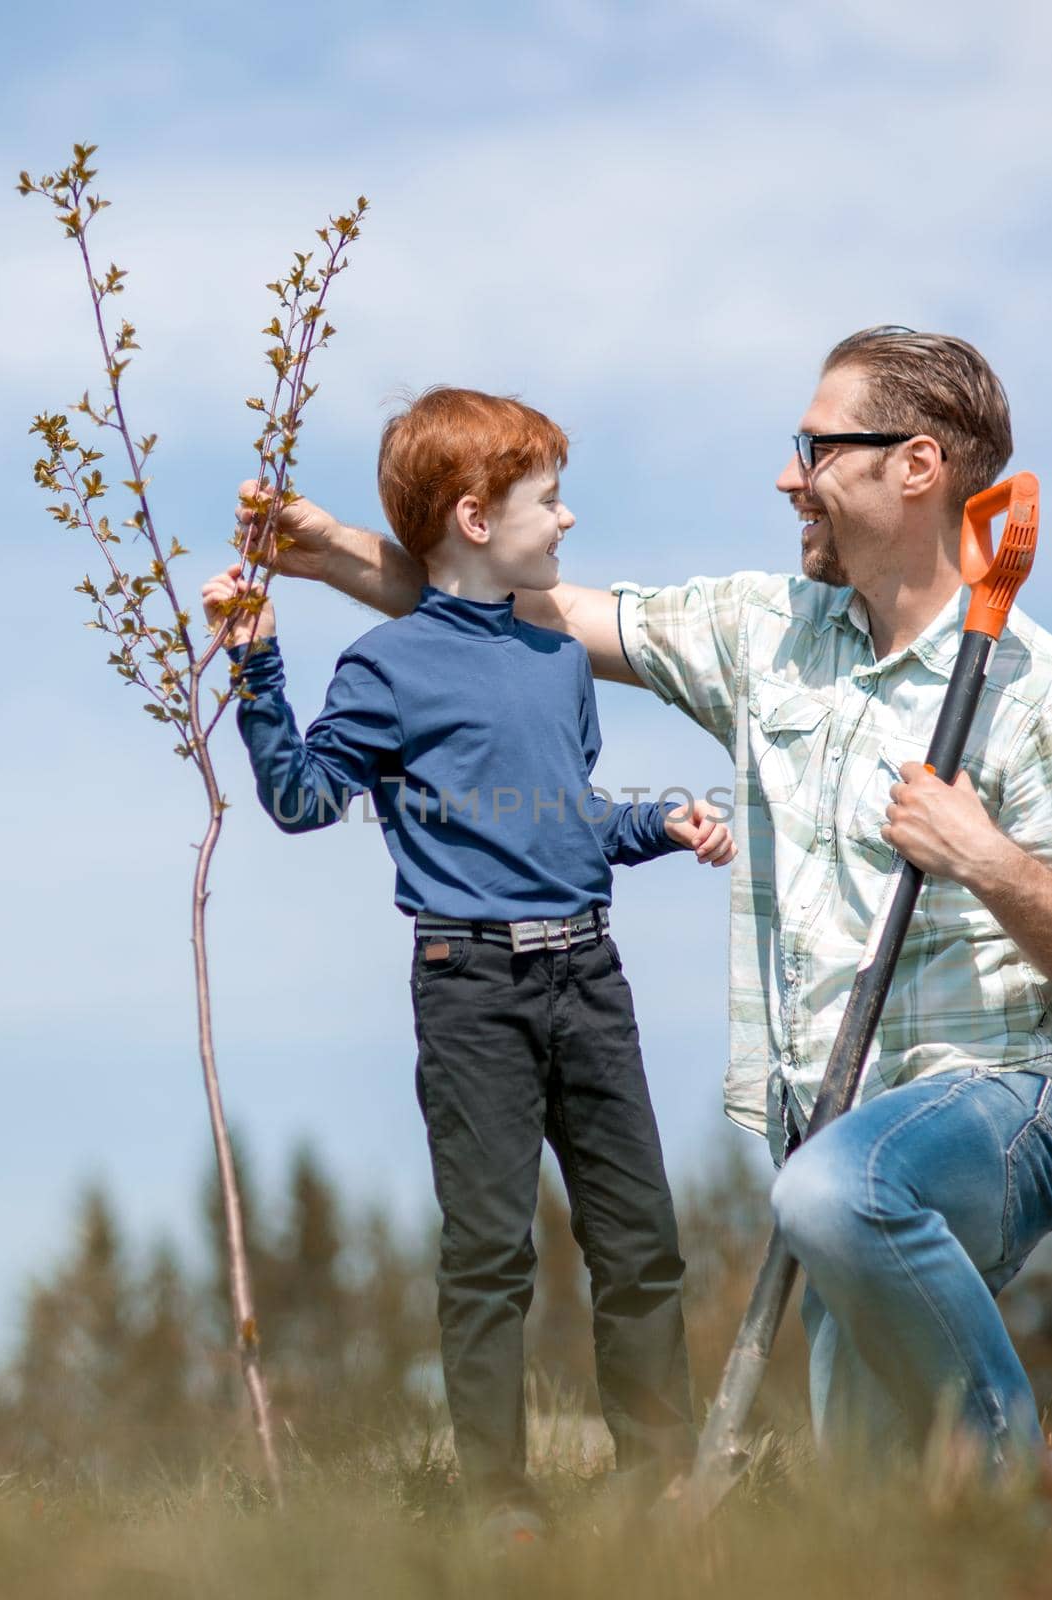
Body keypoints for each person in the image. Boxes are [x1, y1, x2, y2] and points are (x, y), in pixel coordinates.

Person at [252, 329, 1052, 1474]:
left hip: (990, 1103)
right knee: (879, 1496)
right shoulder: (765, 635)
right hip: (825, 1113)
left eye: (814, 446)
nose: (789, 474)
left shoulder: (1027, 690)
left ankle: (1023, 1496)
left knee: (831, 1191)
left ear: (915, 466)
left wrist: (987, 856)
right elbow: (498, 615)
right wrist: (335, 550)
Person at [204, 388, 735, 1535]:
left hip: (590, 978)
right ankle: (502, 1501)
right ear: (478, 519)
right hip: (471, 992)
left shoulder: (555, 659)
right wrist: (256, 668)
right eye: (550, 498)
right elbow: (302, 799)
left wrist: (660, 823)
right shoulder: (384, 667)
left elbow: (567, 816)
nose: (570, 517)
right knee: (490, 1255)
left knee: (640, 1242)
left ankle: (664, 1483)